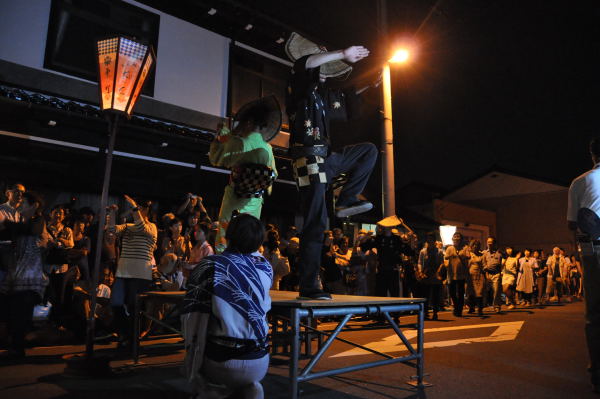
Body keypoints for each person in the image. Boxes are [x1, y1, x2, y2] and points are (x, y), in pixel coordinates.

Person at [284, 33, 378, 299]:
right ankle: (309, 285)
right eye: (320, 69)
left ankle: (347, 198)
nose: (323, 75)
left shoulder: (321, 98)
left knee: (367, 151)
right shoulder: (299, 87)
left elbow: (345, 102)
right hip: (307, 160)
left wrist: (369, 85)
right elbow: (306, 64)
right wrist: (342, 53)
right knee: (316, 222)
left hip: (326, 159)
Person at [181, 213, 272, 399]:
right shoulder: (265, 266)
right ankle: (249, 388)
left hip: (222, 360)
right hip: (260, 361)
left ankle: (211, 391)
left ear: (227, 237)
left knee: (194, 346)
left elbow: (191, 316)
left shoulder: (210, 265)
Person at [209, 96, 280, 253]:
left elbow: (216, 158)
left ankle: (224, 265)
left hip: (234, 198)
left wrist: (220, 137)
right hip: (255, 202)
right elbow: (273, 176)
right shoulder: (267, 148)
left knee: (226, 238)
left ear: (248, 122)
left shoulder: (237, 142)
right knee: (248, 239)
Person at [567, 136, 600, 394]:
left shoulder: (580, 182)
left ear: (592, 154)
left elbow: (572, 224)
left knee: (594, 314)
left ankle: (597, 371)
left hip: (592, 250)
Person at [0, 191, 48, 360]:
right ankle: (15, 345)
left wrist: (7, 222)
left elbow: (29, 230)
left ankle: (18, 348)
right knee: (13, 311)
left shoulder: (38, 221)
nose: (19, 206)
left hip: (29, 276)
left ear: (34, 206)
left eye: (23, 204)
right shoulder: (18, 222)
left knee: (21, 312)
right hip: (16, 274)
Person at [107, 196, 157, 348]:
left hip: (141, 272)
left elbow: (141, 227)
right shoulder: (128, 226)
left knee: (133, 305)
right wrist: (113, 214)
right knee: (116, 302)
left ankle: (132, 340)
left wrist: (134, 207)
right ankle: (125, 334)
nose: (138, 210)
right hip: (124, 271)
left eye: (141, 208)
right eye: (138, 208)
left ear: (146, 211)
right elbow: (112, 230)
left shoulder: (151, 227)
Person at [417, 232, 444, 320]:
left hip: (435, 274)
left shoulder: (439, 251)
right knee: (425, 295)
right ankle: (425, 312)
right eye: (428, 239)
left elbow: (441, 263)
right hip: (426, 274)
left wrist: (438, 273)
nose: (430, 241)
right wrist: (420, 272)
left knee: (435, 294)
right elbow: (420, 262)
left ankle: (435, 312)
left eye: (431, 239)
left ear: (434, 241)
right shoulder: (423, 251)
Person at [444, 238, 469, 317]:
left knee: (461, 293)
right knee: (452, 293)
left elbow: (469, 256)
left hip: (461, 274)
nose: (456, 239)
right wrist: (451, 255)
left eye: (458, 238)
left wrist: (463, 254)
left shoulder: (465, 248)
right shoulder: (450, 248)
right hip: (451, 274)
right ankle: (456, 306)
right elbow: (446, 257)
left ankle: (459, 310)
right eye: (455, 238)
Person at [482, 236, 504, 313]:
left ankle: (496, 306)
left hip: (496, 274)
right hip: (487, 274)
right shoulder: (484, 253)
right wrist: (486, 275)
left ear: (494, 244)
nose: (489, 244)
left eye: (491, 243)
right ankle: (482, 305)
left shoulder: (499, 254)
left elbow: (501, 265)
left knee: (496, 290)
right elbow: (483, 264)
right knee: (484, 291)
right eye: (488, 242)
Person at [466, 240, 485, 316]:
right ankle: (471, 307)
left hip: (479, 275)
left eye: (477, 245)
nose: (475, 246)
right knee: (470, 293)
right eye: (474, 245)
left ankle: (480, 309)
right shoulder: (468, 255)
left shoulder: (481, 255)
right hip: (470, 276)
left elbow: (484, 265)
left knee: (479, 293)